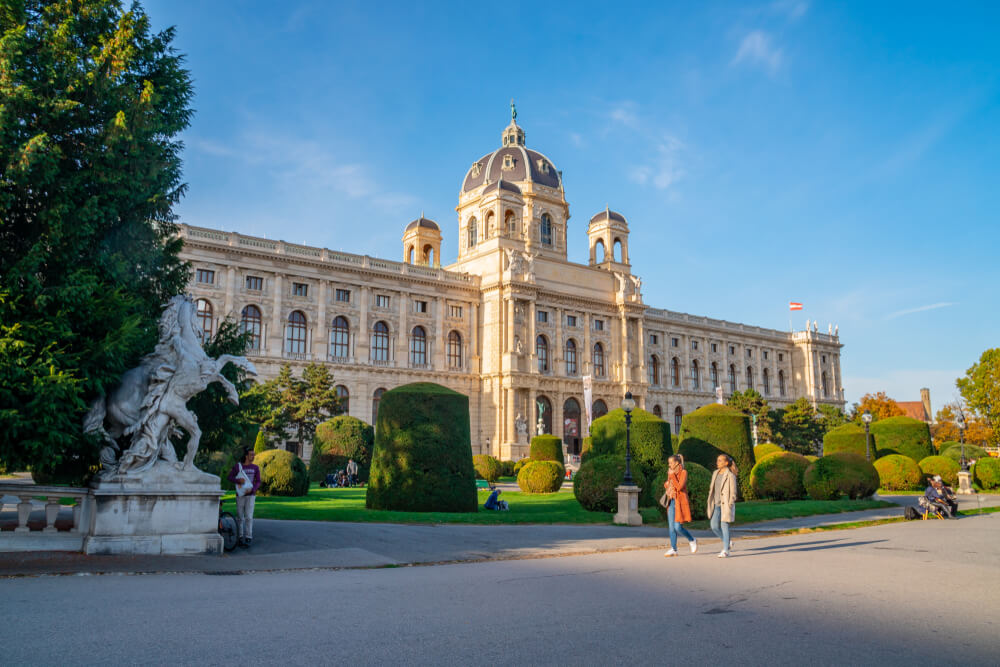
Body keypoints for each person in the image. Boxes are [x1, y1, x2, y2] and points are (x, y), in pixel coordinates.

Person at [663, 454, 697, 557]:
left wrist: (672, 476)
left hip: (680, 502)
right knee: (671, 527)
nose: (669, 464)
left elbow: (679, 487)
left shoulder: (683, 472)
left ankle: (692, 540)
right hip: (671, 501)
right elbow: (668, 485)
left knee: (678, 527)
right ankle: (673, 548)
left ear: (677, 463)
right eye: (669, 463)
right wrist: (667, 483)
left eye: (671, 462)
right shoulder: (671, 473)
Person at [227, 448, 261, 547]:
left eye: (254, 455)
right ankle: (240, 536)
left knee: (249, 517)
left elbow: (258, 481)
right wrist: (238, 481)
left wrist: (253, 489)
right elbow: (229, 477)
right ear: (246, 456)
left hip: (251, 495)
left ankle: (248, 537)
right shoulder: (238, 466)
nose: (253, 456)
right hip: (240, 495)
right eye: (251, 455)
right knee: (239, 517)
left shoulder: (255, 467)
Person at [707, 453, 738, 558]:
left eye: (720, 460)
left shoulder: (730, 475)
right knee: (714, 526)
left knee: (724, 526)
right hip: (716, 504)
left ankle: (726, 550)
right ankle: (728, 541)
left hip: (725, 505)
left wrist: (730, 504)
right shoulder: (715, 473)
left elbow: (733, 493)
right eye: (717, 460)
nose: (717, 462)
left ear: (726, 463)